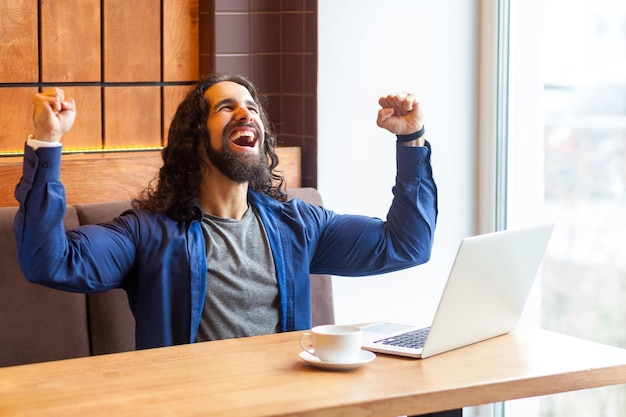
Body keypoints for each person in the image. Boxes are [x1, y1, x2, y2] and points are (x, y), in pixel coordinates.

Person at [14, 73, 437, 351]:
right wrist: (47, 144)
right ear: (196, 139)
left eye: (251, 107)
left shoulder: (299, 225)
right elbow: (50, 261)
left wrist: (412, 140)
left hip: (288, 405)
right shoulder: (147, 235)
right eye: (226, 107)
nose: (245, 113)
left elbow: (406, 246)